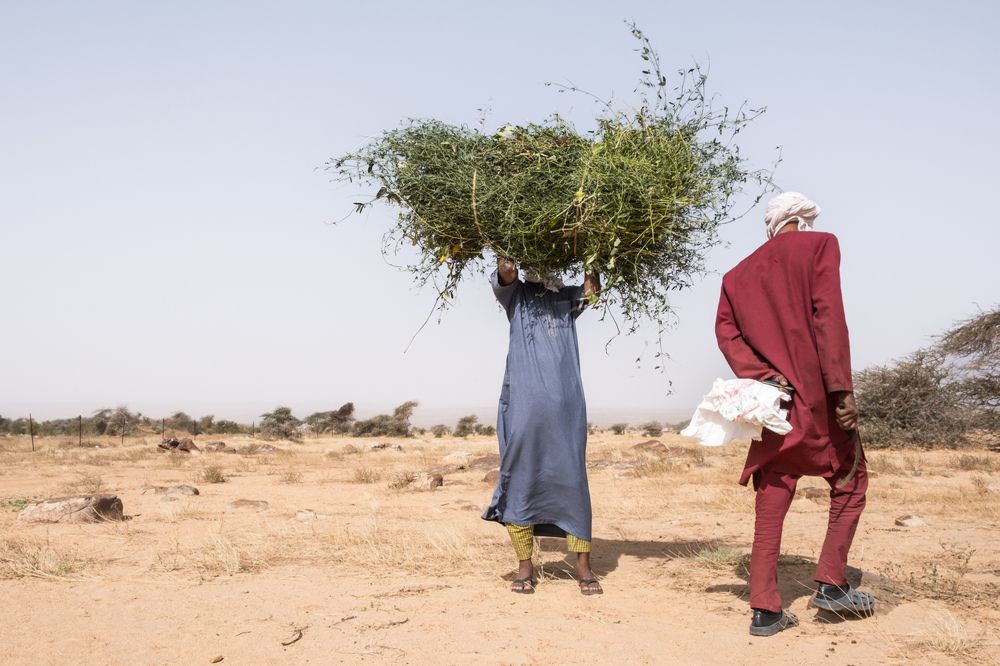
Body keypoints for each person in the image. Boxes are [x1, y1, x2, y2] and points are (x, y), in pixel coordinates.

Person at [715, 192, 875, 636]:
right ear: (802, 220)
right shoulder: (820, 245)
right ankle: (831, 584)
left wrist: (763, 375)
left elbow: (727, 335)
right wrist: (842, 389)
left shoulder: (736, 275)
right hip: (818, 400)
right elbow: (829, 317)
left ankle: (765, 610)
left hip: (775, 406)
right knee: (850, 482)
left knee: (772, 499)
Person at [482, 257, 603, 595]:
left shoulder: (566, 298)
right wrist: (510, 246)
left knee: (572, 480)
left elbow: (592, 291)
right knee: (522, 478)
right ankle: (525, 566)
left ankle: (583, 567)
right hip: (525, 406)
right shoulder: (516, 295)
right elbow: (506, 272)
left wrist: (595, 250)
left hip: (566, 407)